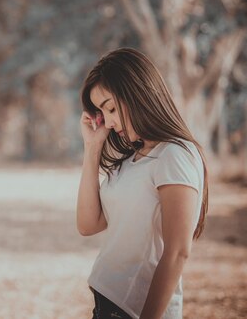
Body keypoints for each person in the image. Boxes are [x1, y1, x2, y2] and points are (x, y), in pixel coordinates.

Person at [77, 48, 208, 319]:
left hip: (136, 311)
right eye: (102, 112)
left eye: (111, 108)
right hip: (106, 303)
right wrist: (92, 147)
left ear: (138, 93)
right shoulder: (132, 157)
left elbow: (178, 252)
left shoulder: (174, 154)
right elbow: (88, 224)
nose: (109, 122)